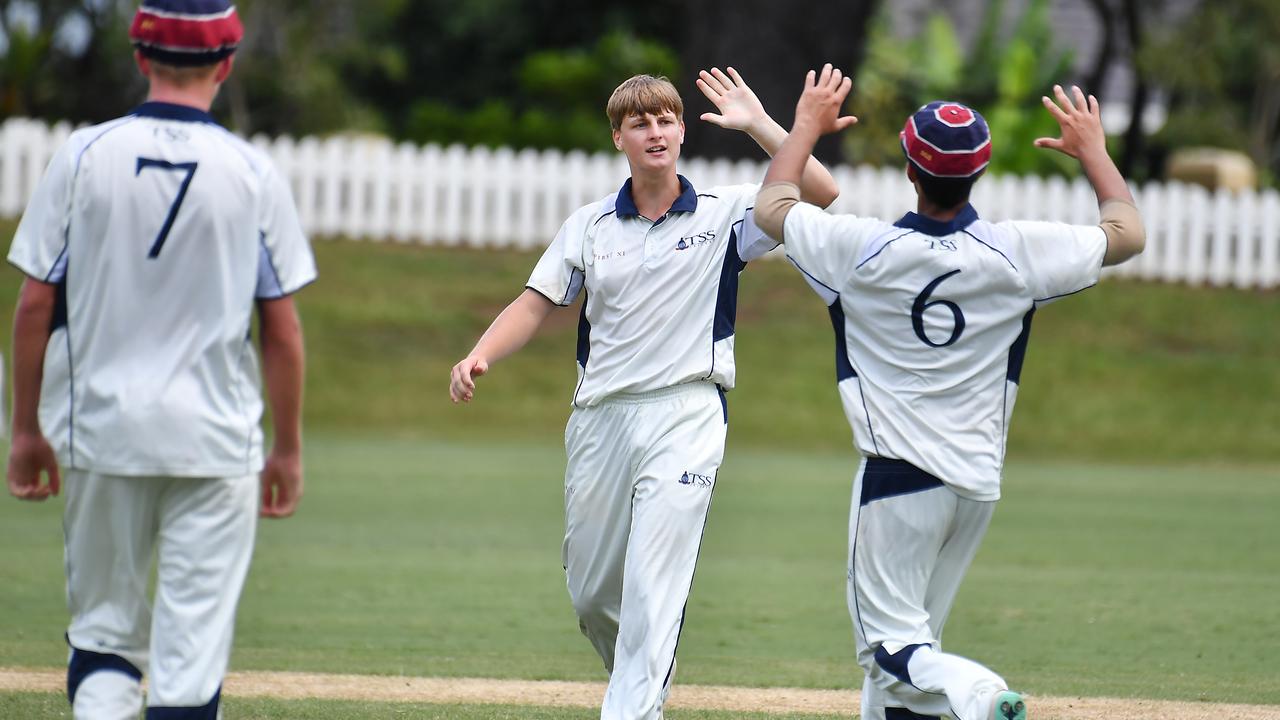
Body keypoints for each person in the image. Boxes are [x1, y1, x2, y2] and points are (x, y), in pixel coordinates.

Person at [752, 67, 1145, 720]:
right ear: (978, 171)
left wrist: (803, 127)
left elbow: (774, 208)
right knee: (912, 652)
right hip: (975, 483)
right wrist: (1094, 152)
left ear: (911, 169)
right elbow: (1127, 233)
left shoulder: (860, 249)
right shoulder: (1019, 253)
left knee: (888, 649)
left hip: (898, 478)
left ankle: (981, 695)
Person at [449, 68, 839, 719]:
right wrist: (480, 353)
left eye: (665, 120)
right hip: (601, 418)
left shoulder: (726, 212)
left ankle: (631, 706)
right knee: (594, 596)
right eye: (640, 122)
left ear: (682, 131)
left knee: (652, 590)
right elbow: (536, 301)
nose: (654, 131)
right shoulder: (590, 226)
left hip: (686, 413)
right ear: (619, 138)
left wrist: (762, 126)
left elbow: (820, 193)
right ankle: (640, 687)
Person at [5, 1, 315, 717]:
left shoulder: (82, 154)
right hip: (215, 440)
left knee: (105, 638)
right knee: (189, 658)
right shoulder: (252, 171)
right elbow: (283, 330)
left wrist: (25, 430)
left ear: (140, 57)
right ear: (226, 62)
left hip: (102, 431)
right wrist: (289, 449)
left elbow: (32, 306)